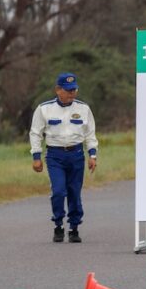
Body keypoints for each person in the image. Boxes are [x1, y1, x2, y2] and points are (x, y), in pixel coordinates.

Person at [30, 72, 98, 243]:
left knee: (74, 192)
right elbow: (35, 133)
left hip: (76, 154)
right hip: (55, 155)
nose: (71, 93)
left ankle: (74, 228)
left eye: (74, 90)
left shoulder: (83, 108)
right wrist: (36, 156)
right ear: (58, 90)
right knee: (59, 191)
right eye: (68, 90)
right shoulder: (44, 109)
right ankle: (58, 224)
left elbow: (90, 134)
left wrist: (93, 155)